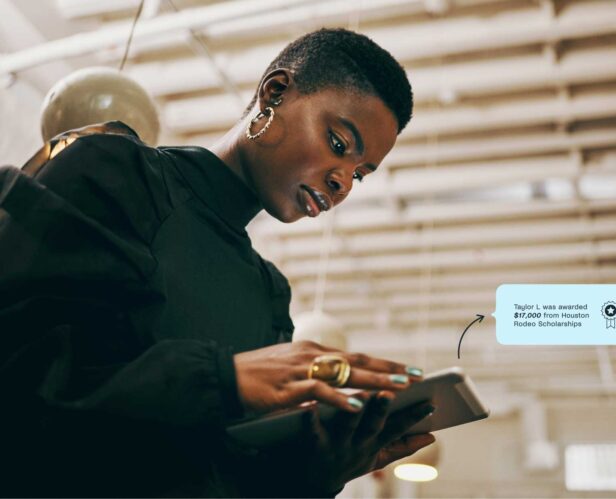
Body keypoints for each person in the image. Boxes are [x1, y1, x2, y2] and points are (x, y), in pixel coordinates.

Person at [0, 28, 435, 497]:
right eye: (337, 143)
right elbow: (22, 379)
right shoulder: (117, 174)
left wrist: (317, 475)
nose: (343, 182)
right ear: (276, 91)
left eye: (361, 173)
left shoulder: (269, 295)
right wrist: (224, 380)